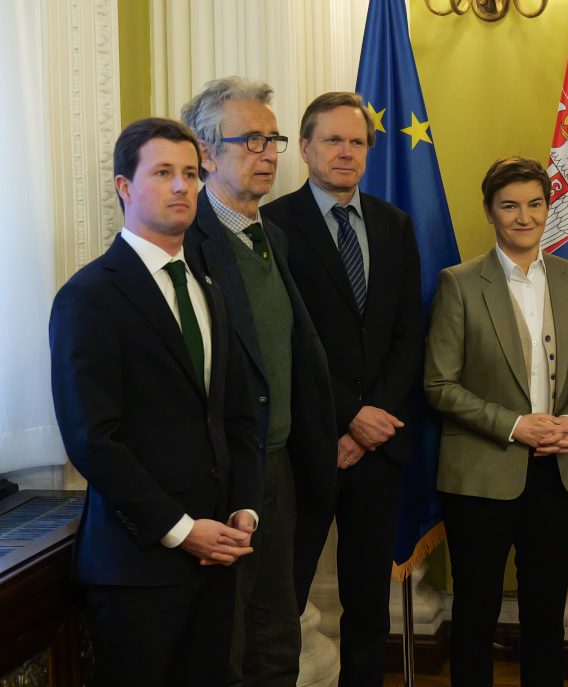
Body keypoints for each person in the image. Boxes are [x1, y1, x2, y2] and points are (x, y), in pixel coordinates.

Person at [49, 117, 261, 686]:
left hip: (219, 554)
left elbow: (237, 416)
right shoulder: (89, 296)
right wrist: (180, 529)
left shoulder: (208, 287)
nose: (182, 186)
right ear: (124, 186)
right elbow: (93, 439)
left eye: (191, 173)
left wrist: (244, 508)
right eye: (164, 173)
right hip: (137, 566)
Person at [261, 91, 423, 686]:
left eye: (357, 142)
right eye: (333, 140)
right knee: (284, 597)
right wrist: (348, 416)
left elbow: (409, 332)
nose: (346, 152)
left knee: (368, 602)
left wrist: (371, 420)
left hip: (378, 447)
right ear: (304, 148)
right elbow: (284, 344)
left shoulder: (393, 224)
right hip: (310, 445)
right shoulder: (272, 226)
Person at [180, 77, 337, 687]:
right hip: (224, 477)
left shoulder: (273, 236)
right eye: (251, 139)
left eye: (272, 139)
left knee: (279, 639)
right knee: (228, 646)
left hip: (282, 466)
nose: (268, 153)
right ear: (206, 152)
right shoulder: (188, 243)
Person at [424, 156, 568, 686]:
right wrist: (514, 425)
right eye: (509, 206)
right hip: (481, 474)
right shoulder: (459, 283)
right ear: (489, 212)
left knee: (546, 613)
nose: (524, 217)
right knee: (475, 611)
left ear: (548, 207)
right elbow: (439, 385)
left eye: (535, 204)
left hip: (558, 469)